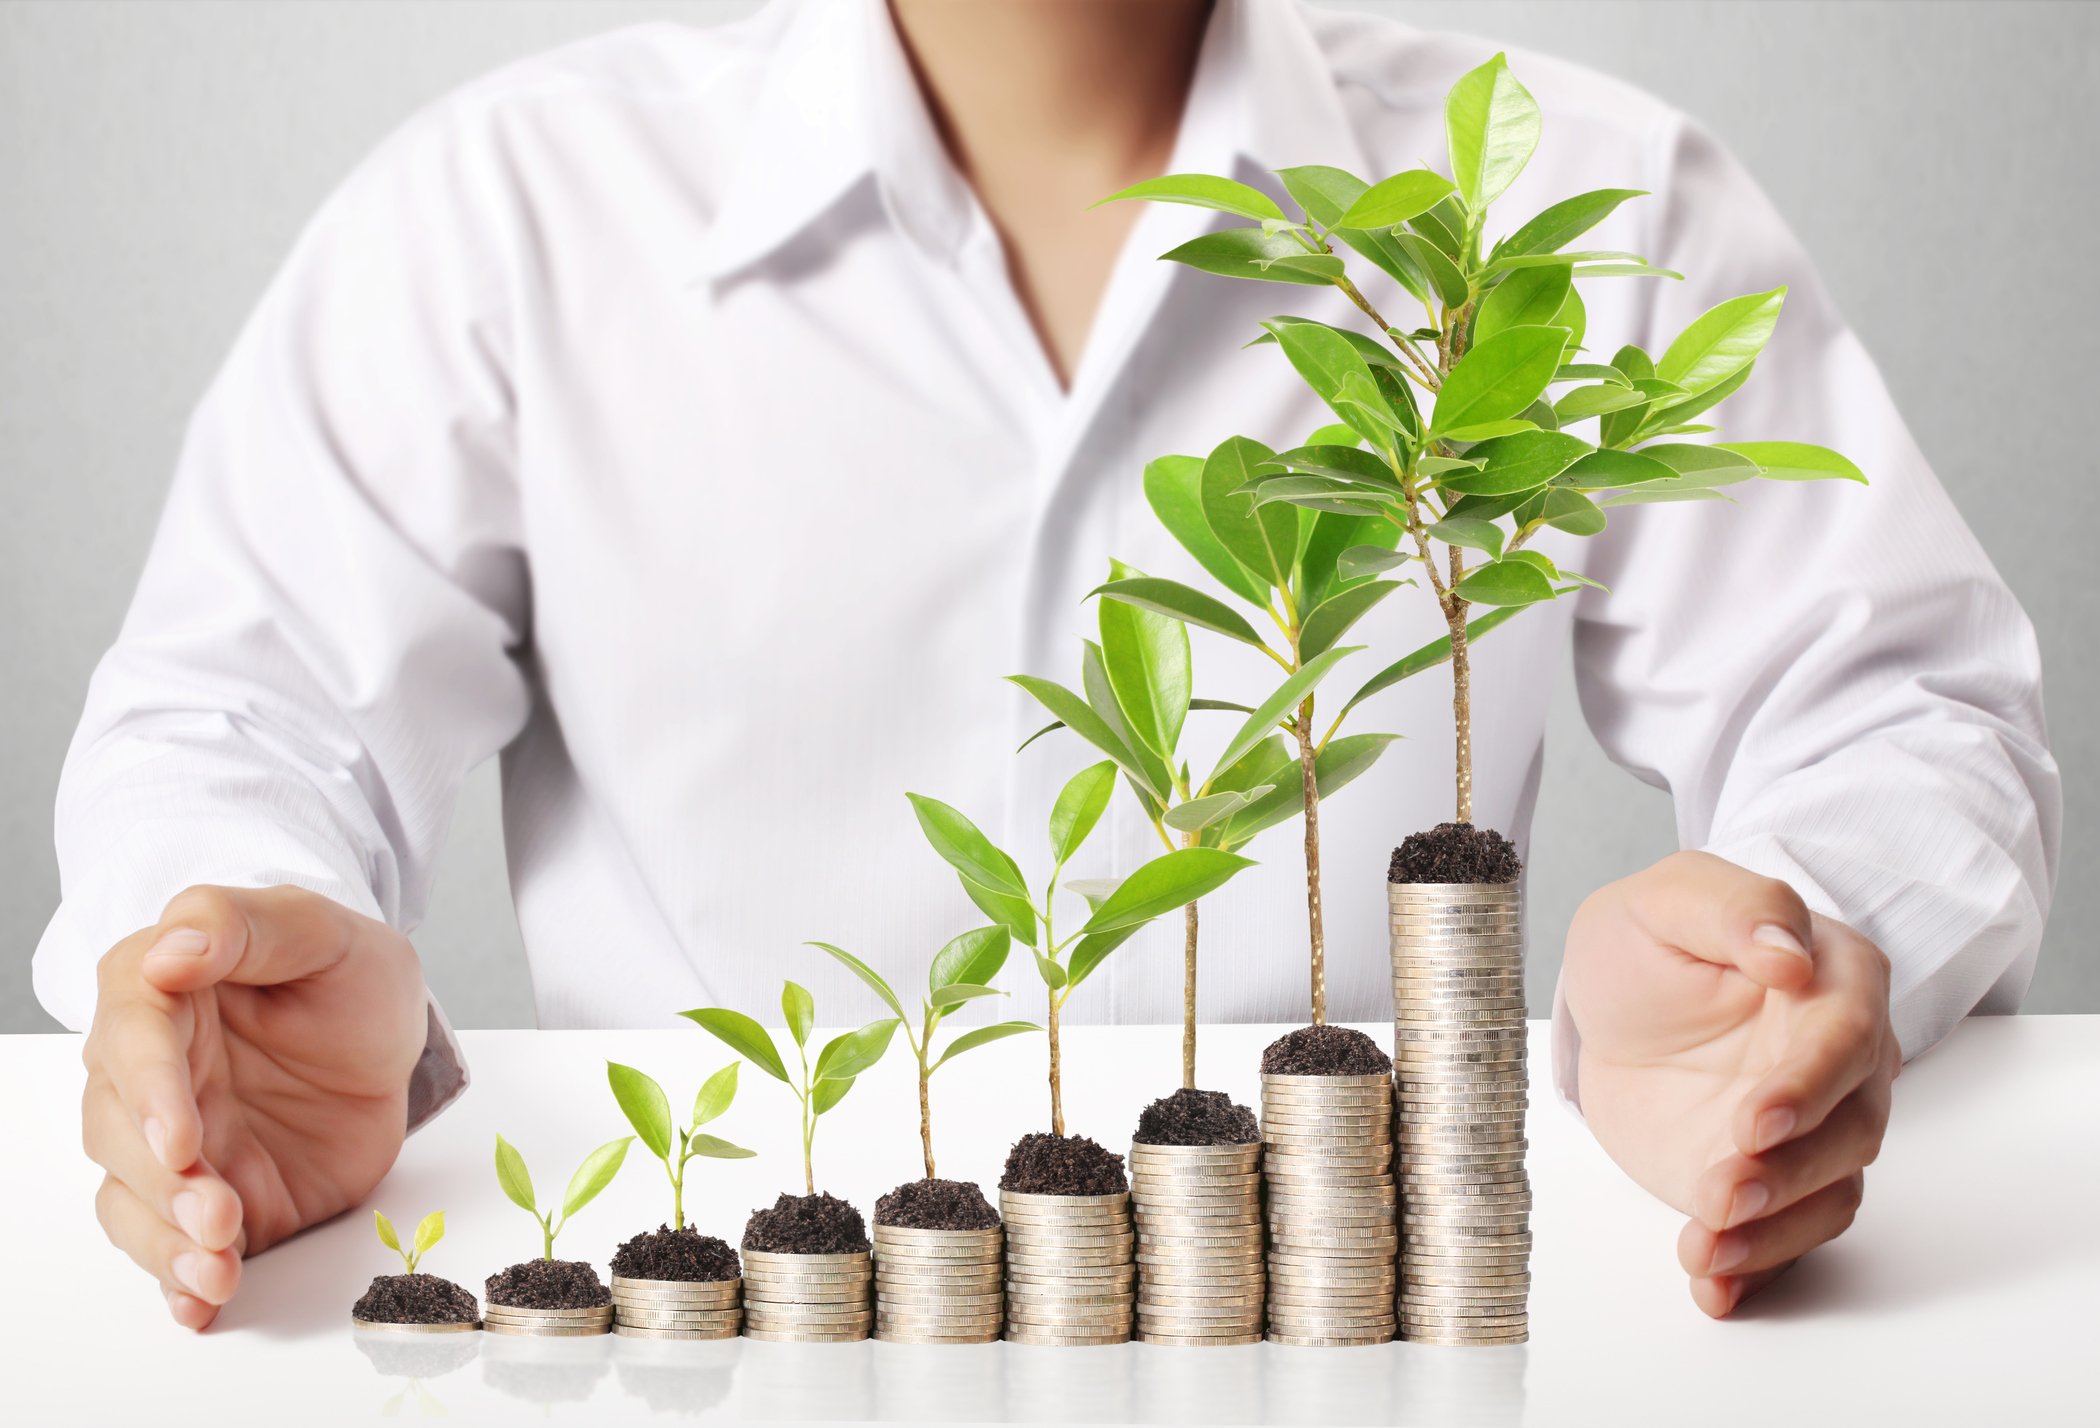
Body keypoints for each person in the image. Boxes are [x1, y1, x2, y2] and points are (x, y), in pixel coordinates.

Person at [36, 0, 2056, 1333]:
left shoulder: (1553, 200)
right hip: (720, 1337)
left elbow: (1894, 700)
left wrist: (1792, 950)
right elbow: (241, 704)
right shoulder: (512, 216)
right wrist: (224, 953)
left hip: (1345, 1335)